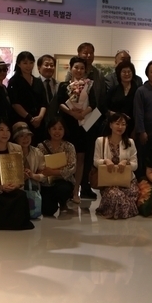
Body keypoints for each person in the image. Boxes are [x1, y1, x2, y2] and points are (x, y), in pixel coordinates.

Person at [64, 42, 106, 200]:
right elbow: (67, 96)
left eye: (91, 53)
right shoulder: (72, 72)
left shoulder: (98, 74)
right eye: (85, 52)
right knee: (74, 154)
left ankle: (85, 186)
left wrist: (90, 115)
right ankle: (71, 187)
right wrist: (75, 114)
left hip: (92, 118)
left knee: (88, 154)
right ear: (78, 53)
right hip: (73, 119)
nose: (88, 55)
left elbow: (99, 99)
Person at [0, 119, 35, 230]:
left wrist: (19, 181)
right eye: (1, 130)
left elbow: (19, 173)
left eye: (8, 130)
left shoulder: (17, 148)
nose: (5, 133)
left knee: (21, 196)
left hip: (12, 186)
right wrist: (0, 187)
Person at [57, 56, 98, 203]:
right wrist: (72, 113)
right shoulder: (63, 85)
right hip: (68, 124)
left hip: (83, 125)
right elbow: (60, 103)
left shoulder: (89, 86)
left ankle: (76, 191)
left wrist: (82, 114)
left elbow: (93, 104)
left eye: (82, 68)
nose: (79, 70)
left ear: (85, 70)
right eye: (76, 67)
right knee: (67, 158)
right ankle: (66, 190)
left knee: (80, 158)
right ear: (71, 68)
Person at [93, 113, 139, 219]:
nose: (120, 127)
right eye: (117, 124)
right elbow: (95, 161)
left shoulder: (130, 142)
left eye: (123, 124)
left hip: (127, 181)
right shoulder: (101, 141)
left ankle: (120, 209)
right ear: (110, 125)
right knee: (116, 195)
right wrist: (105, 161)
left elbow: (135, 165)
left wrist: (126, 163)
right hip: (109, 181)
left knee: (129, 193)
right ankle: (118, 209)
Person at [37, 118, 76, 217]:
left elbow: (72, 167)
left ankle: (63, 202)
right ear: (49, 130)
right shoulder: (41, 146)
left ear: (64, 130)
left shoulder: (69, 146)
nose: (57, 131)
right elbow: (38, 165)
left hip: (63, 180)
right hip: (46, 182)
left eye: (60, 128)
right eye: (54, 128)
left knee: (63, 189)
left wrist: (53, 172)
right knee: (47, 210)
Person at [7, 51, 48, 143]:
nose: (28, 66)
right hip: (22, 121)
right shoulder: (14, 82)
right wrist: (30, 118)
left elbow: (44, 103)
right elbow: (15, 103)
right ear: (18, 64)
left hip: (39, 122)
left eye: (31, 63)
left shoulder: (38, 81)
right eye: (25, 63)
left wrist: (40, 117)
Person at [12, 122, 45, 218]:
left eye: (28, 135)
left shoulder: (37, 152)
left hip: (34, 189)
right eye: (21, 136)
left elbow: (44, 174)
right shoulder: (11, 152)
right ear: (15, 138)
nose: (25, 139)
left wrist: (33, 175)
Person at [107, 61, 139, 138]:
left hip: (131, 127)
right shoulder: (113, 90)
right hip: (114, 126)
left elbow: (139, 111)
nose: (127, 74)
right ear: (119, 74)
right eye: (124, 72)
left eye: (129, 72)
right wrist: (116, 115)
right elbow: (104, 107)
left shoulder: (138, 90)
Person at [37, 54, 60, 127]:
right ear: (39, 67)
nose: (49, 67)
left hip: (54, 125)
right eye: (46, 65)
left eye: (52, 65)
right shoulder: (34, 83)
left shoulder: (59, 85)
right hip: (38, 124)